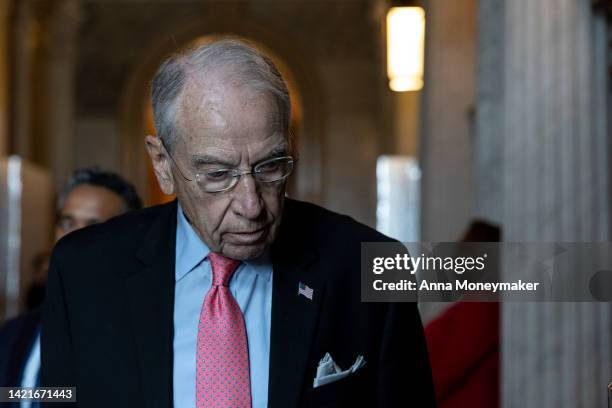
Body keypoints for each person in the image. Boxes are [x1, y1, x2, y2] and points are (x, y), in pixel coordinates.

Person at [41, 40, 435, 407]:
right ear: (162, 164)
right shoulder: (83, 272)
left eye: (271, 166)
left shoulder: (369, 265)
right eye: (217, 173)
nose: (251, 206)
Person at [0, 168, 142, 406]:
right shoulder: (15, 332)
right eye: (67, 222)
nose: (74, 238)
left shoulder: (141, 334)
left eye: (93, 225)